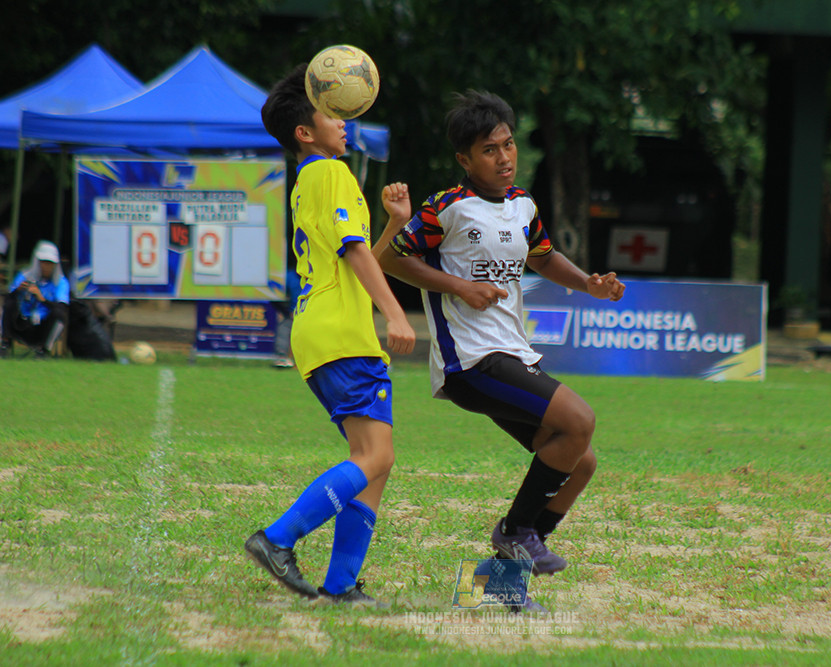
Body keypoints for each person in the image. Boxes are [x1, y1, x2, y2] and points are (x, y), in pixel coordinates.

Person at [379, 91, 625, 587]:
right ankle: (514, 530)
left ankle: (502, 583)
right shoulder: (446, 209)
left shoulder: (522, 205)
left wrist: (589, 285)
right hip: (471, 362)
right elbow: (391, 259)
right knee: (580, 421)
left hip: (512, 354)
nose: (504, 157)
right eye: (489, 150)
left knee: (580, 462)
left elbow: (542, 255)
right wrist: (460, 287)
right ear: (464, 160)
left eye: (508, 145)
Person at [244, 63, 416, 607]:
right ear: (304, 131)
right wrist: (395, 313)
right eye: (332, 112)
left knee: (375, 460)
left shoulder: (310, 180)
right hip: (342, 334)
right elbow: (356, 254)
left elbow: (364, 252)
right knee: (375, 457)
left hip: (318, 334)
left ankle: (341, 585)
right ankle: (277, 538)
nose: (344, 121)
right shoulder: (333, 175)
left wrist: (393, 222)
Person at [0, 240, 70, 359]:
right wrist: (18, 290)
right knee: (9, 303)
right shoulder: (24, 275)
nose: (46, 266)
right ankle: (5, 344)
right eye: (43, 262)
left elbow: (62, 307)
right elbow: (8, 296)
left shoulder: (61, 282)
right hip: (23, 322)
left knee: (60, 314)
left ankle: (44, 350)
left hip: (43, 325)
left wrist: (42, 298)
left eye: (50, 263)